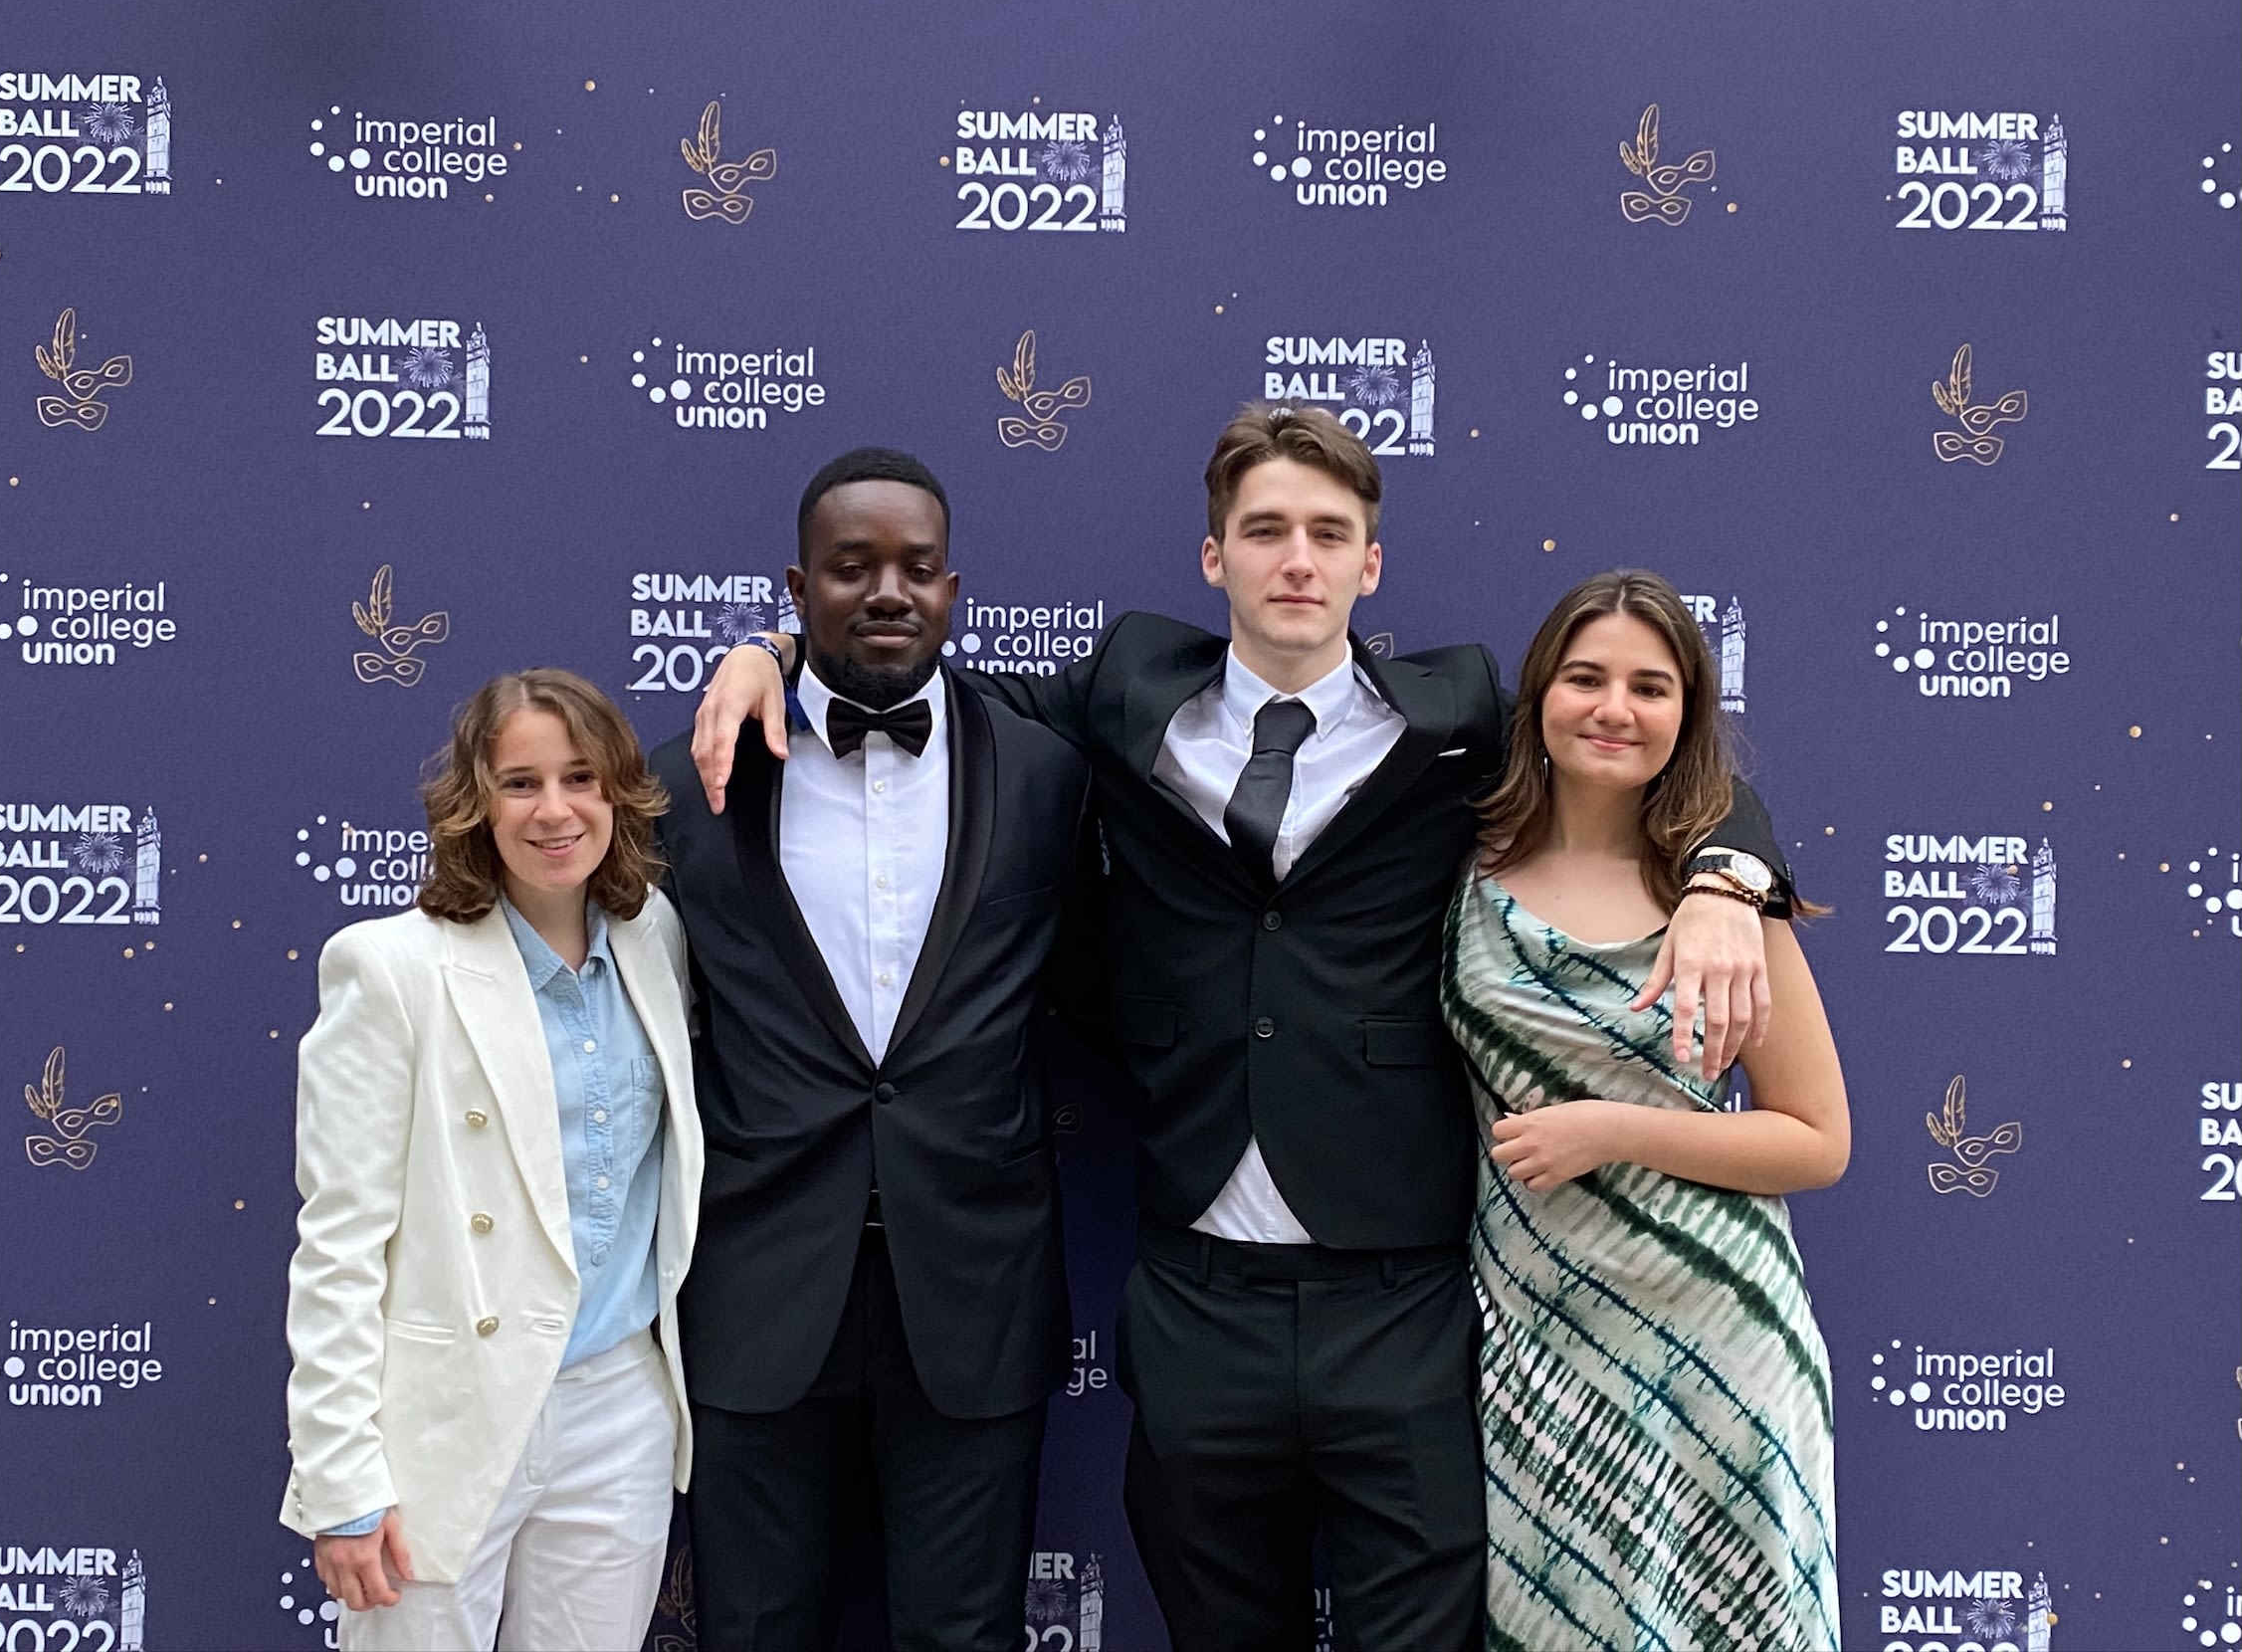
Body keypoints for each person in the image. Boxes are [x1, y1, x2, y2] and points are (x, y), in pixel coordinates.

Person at [690, 406, 1791, 1651]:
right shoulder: (1123, 686)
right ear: (1213, 556)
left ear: (1370, 562)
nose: (1296, 560)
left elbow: (1637, 747)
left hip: (1401, 1298)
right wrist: (771, 650)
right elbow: (919, 688)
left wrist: (1727, 875)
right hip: (1194, 1298)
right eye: (1264, 531)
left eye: (1327, 533)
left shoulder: (1455, 713)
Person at [649, 449, 1090, 1652]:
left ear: (952, 590)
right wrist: (760, 657)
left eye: (915, 567)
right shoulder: (688, 780)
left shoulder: (1046, 770)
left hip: (974, 1293)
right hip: (754, 1290)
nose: (887, 590)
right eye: (851, 567)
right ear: (797, 590)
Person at [1441, 569, 1846, 1652]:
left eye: (1649, 687)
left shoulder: (1723, 901)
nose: (1613, 709)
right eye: (1585, 678)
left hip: (1719, 1334)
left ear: (1687, 713)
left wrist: (1610, 1130)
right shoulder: (1463, 868)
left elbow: (1816, 1139)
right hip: (1538, 1335)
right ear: (1536, 695)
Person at [281, 669, 702, 1652]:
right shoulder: (390, 967)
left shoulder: (656, 938)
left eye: (580, 778)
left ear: (618, 792)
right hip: (443, 1415)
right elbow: (339, 1244)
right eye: (520, 782)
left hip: (619, 1404)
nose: (554, 810)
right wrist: (342, 1481)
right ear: (475, 801)